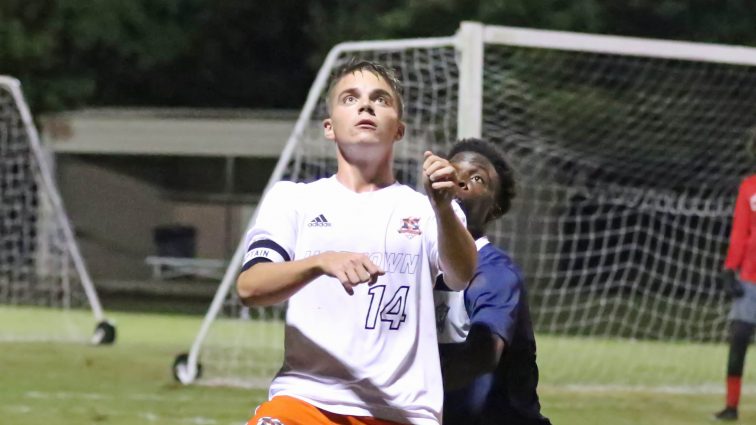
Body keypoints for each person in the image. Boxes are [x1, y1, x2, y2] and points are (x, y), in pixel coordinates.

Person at [237, 59, 476, 425]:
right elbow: (251, 288)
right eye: (350, 98)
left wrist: (443, 208)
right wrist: (320, 262)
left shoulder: (429, 209)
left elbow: (462, 275)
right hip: (308, 401)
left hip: (403, 412)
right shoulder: (293, 200)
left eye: (380, 99)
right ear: (329, 127)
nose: (366, 105)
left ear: (399, 130)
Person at [434, 138, 551, 425]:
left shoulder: (495, 273)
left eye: (476, 178)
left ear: (494, 208)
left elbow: (482, 355)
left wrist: (403, 385)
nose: (460, 182)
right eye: (453, 172)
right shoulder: (415, 262)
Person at [714, 164, 756, 421]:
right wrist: (730, 269)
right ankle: (731, 407)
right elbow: (740, 230)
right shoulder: (748, 187)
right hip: (750, 279)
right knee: (739, 337)